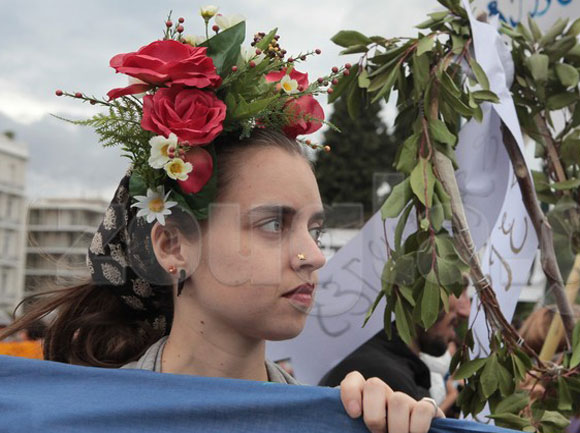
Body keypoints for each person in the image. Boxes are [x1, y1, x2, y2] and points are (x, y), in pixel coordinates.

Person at [0, 11, 443, 433]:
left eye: (316, 229)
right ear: (173, 245)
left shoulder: (343, 416)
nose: (316, 257)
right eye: (274, 224)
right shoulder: (81, 420)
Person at [319, 290, 471, 414]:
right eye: (452, 322)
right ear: (426, 314)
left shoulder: (371, 357)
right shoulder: (389, 376)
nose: (452, 336)